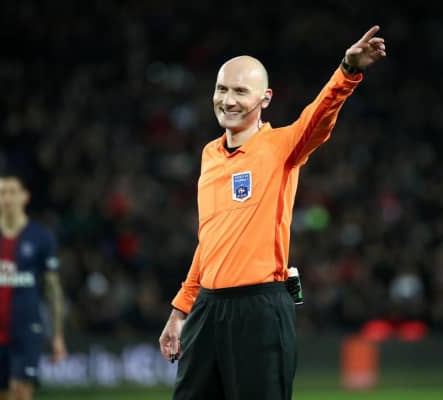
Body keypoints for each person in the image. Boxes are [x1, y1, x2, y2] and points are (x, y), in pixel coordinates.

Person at [158, 25, 386, 399]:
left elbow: (319, 116)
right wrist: (180, 310)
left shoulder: (281, 147)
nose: (228, 100)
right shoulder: (210, 154)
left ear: (264, 99)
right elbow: (209, 242)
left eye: (240, 91)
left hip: (259, 308)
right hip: (207, 308)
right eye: (221, 89)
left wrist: (347, 71)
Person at [0, 172, 67, 400]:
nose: (7, 197)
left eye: (12, 192)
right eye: (2, 192)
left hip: (28, 329)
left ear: (24, 196)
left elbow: (53, 289)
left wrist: (57, 334)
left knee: (20, 393)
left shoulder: (41, 236)